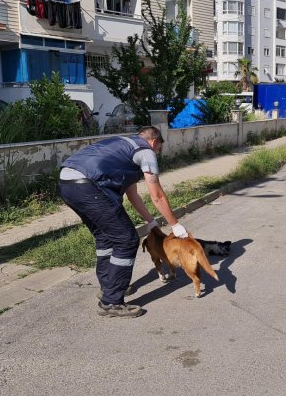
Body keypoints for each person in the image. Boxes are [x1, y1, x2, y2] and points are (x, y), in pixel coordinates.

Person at [58, 126, 188, 318]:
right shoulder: (145, 151)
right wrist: (175, 225)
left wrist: (152, 223)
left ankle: (108, 287)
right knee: (127, 239)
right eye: (158, 150)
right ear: (154, 143)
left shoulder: (122, 147)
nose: (157, 154)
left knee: (106, 236)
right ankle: (111, 302)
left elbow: (133, 195)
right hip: (88, 186)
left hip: (66, 183)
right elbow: (157, 195)